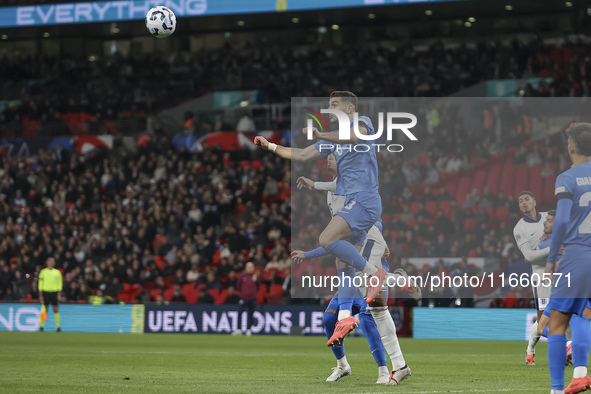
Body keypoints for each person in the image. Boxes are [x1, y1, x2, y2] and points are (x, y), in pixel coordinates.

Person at [255, 91, 387, 345]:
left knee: (326, 238)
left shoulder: (363, 123)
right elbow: (302, 155)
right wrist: (270, 146)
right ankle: (347, 317)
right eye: (328, 105)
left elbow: (354, 136)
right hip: (355, 201)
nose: (329, 108)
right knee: (342, 265)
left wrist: (322, 134)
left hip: (364, 197)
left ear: (349, 109)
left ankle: (374, 273)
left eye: (334, 104)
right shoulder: (333, 142)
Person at [292, 154, 417, 385]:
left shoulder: (358, 184)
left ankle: (384, 369)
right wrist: (308, 253)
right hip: (355, 260)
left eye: (334, 156)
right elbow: (334, 240)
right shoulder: (335, 192)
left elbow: (369, 217)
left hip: (366, 255)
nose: (329, 159)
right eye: (328, 156)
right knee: (330, 320)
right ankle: (343, 364)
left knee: (373, 315)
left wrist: (379, 235)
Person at [545, 123, 591, 394]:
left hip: (577, 253)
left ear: (571, 146)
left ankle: (555, 390)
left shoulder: (567, 178)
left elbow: (561, 219)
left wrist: (552, 258)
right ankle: (582, 374)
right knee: (585, 315)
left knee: (557, 322)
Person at [512, 191, 551, 365]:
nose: (524, 203)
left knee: (568, 313)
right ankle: (530, 350)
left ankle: (567, 351)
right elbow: (529, 256)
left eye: (527, 199)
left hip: (561, 270)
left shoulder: (548, 218)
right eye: (520, 201)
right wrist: (553, 248)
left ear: (535, 202)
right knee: (544, 319)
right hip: (541, 274)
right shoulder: (520, 229)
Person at [232, 262, 260, 336]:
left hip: (253, 298)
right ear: (246, 268)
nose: (250, 268)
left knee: (251, 314)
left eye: (251, 267)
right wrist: (244, 293)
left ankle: (248, 330)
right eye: (248, 267)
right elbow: (238, 286)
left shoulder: (255, 276)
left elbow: (258, 286)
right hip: (244, 298)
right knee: (240, 313)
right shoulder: (242, 276)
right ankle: (239, 329)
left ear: (253, 268)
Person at [38, 257, 63, 332]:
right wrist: (40, 295)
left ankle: (58, 327)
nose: (51, 263)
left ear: (54, 263)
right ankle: (42, 326)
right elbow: (40, 284)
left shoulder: (57, 272)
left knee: (55, 310)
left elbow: (59, 284)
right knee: (45, 310)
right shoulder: (43, 272)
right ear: (47, 262)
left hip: (54, 292)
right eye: (50, 261)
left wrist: (59, 294)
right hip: (46, 292)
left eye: (53, 261)